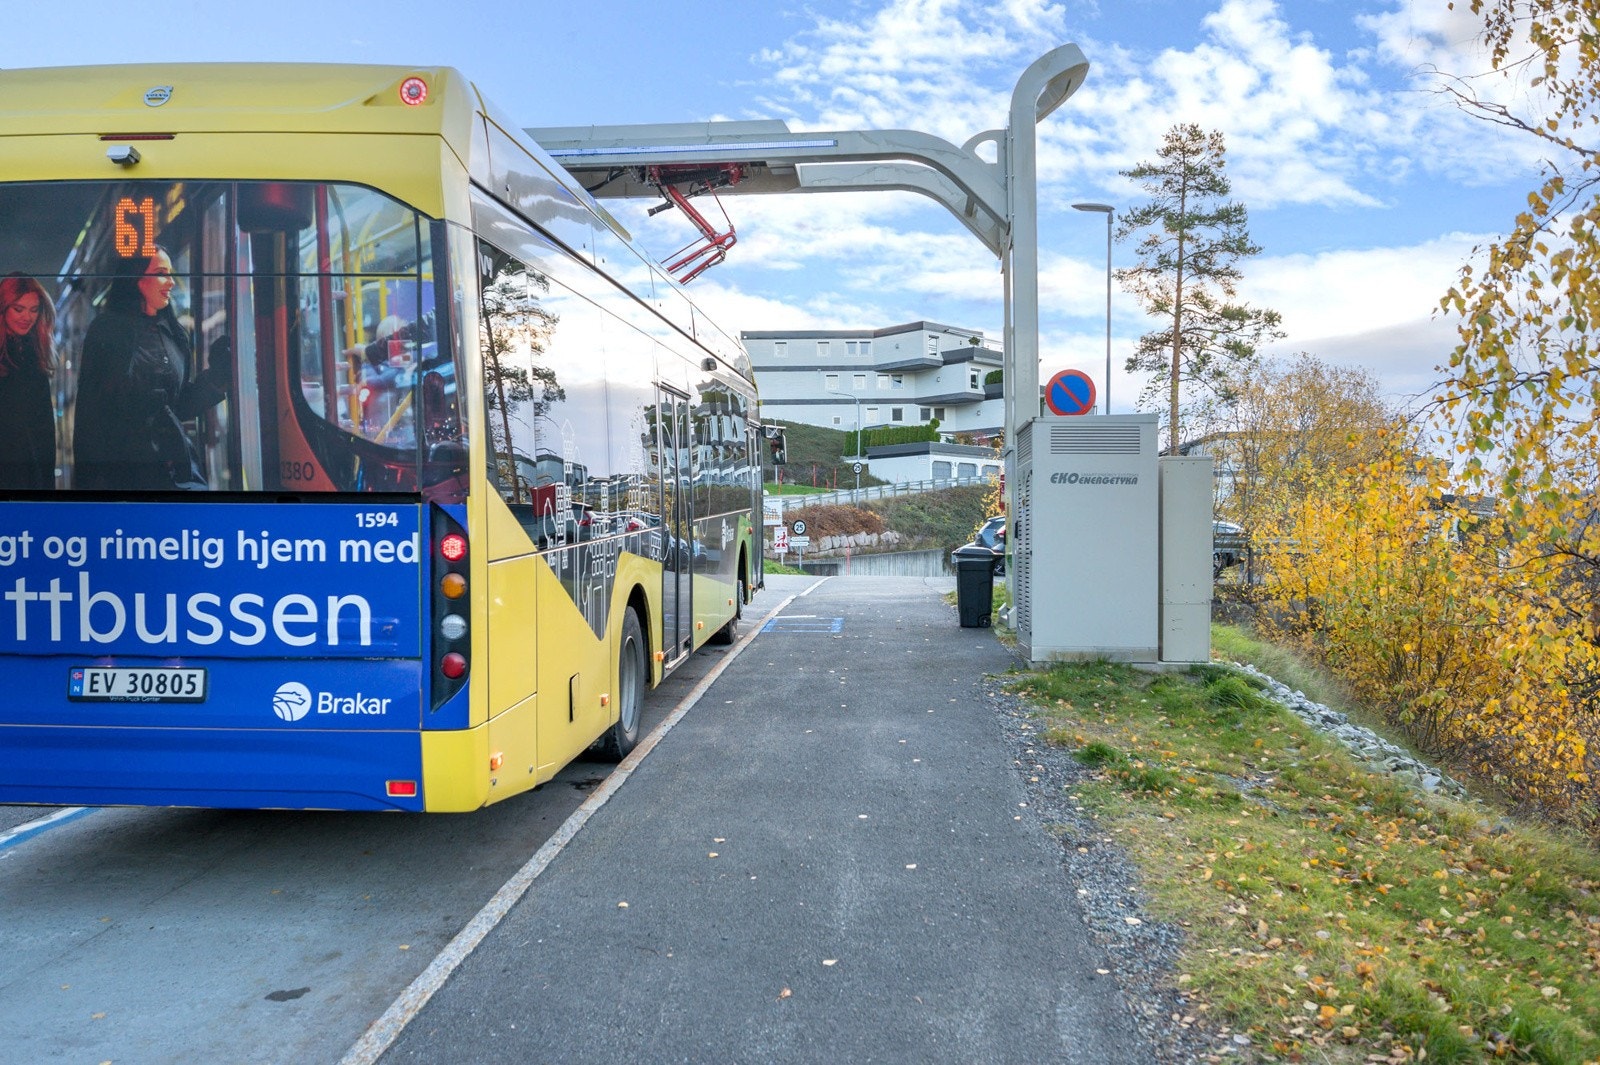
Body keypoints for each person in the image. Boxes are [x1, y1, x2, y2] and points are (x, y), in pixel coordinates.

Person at [73, 246, 230, 490]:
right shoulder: (106, 331)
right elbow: (91, 417)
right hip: (124, 480)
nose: (170, 283)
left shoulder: (173, 333)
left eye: (170, 274)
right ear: (135, 279)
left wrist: (217, 378)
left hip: (175, 474)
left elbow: (177, 407)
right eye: (161, 273)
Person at [0, 273, 58, 490]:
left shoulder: (35, 354)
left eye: (33, 310)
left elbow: (44, 429)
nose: (27, 317)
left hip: (32, 476)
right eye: (19, 308)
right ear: (3, 308)